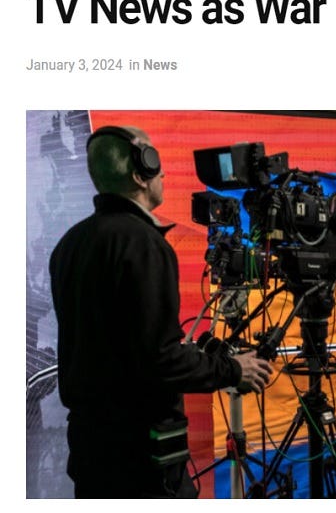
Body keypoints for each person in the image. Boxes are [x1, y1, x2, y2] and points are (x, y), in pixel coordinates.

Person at [49, 126, 274, 498]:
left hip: (91, 454)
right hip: (142, 463)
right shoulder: (144, 244)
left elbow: (119, 346)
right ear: (142, 171)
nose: (165, 174)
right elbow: (161, 361)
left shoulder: (69, 244)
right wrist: (234, 369)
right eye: (158, 162)